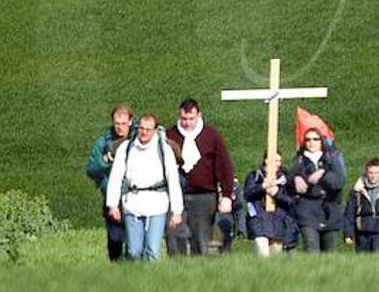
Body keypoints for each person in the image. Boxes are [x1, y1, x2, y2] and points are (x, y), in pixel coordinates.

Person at [162, 98, 236, 257]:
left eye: (191, 119)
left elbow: (224, 166)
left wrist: (227, 195)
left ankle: (200, 274)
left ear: (199, 115)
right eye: (184, 119)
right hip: (176, 196)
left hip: (204, 197)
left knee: (201, 240)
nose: (187, 123)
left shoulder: (212, 135)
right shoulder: (170, 135)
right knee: (174, 235)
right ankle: (177, 272)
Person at [105, 113, 183, 262]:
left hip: (157, 205)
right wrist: (112, 205)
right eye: (141, 128)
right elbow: (116, 177)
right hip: (132, 203)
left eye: (148, 129)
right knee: (134, 251)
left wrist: (177, 211)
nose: (144, 132)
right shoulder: (126, 148)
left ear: (154, 130)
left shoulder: (164, 149)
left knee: (153, 250)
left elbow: (173, 179)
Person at [84, 105, 136, 262]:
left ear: (131, 121)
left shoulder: (140, 136)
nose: (120, 127)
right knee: (114, 240)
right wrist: (105, 160)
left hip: (135, 196)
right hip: (112, 197)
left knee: (134, 241)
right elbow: (91, 169)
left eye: (123, 123)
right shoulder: (105, 141)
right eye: (117, 124)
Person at [287, 128, 347, 253]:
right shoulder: (298, 160)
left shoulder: (332, 159)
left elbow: (339, 182)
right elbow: (289, 182)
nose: (311, 142)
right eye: (308, 139)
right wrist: (295, 179)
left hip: (330, 211)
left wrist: (323, 175)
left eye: (315, 139)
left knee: (330, 253)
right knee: (311, 250)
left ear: (321, 141)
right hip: (306, 211)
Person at [243, 152, 298, 257]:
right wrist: (262, 187)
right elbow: (247, 194)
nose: (278, 163)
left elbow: (291, 201)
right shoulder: (255, 176)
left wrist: (277, 194)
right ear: (266, 160)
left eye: (279, 161)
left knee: (275, 258)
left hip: (279, 221)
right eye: (275, 160)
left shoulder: (286, 178)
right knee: (263, 254)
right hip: (259, 220)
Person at [343, 157, 379, 253]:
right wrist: (347, 233)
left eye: (376, 173)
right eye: (370, 173)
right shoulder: (357, 189)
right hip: (362, 232)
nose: (373, 176)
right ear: (366, 172)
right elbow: (349, 211)